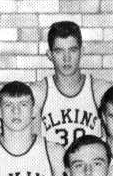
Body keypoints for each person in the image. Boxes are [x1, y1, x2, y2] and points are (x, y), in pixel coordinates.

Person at [34, 21, 108, 149]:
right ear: (50, 55)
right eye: (59, 51)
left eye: (72, 50)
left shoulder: (100, 90)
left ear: (81, 52)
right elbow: (34, 148)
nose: (66, 58)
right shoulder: (39, 92)